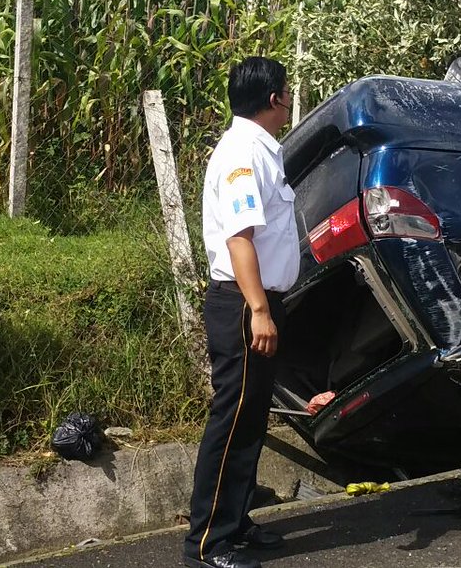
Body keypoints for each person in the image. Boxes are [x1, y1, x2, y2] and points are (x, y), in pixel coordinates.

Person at [184, 57, 298, 568]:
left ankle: (237, 520)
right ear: (274, 98)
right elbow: (239, 238)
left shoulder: (260, 150)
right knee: (231, 420)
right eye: (287, 91)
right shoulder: (241, 153)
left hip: (258, 299)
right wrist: (258, 309)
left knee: (251, 419)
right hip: (242, 301)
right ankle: (208, 543)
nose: (291, 99)